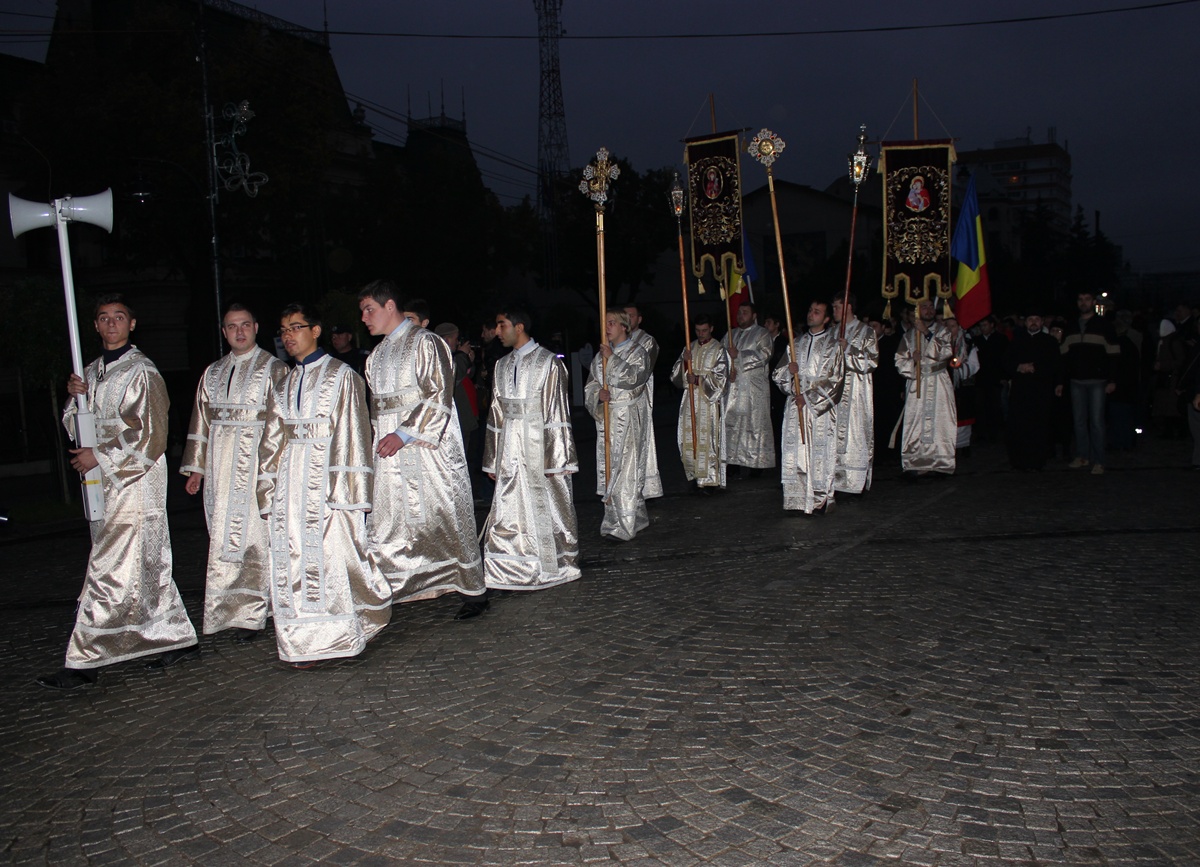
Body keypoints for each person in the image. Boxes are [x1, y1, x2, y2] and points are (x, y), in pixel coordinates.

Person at [38, 295, 198, 690]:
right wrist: (75, 399)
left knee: (108, 564)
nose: (111, 324)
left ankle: (85, 659)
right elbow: (76, 426)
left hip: (134, 480)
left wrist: (102, 457)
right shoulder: (89, 373)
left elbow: (151, 434)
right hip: (102, 482)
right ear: (95, 326)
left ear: (132, 324)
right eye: (104, 318)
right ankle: (174, 633)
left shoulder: (141, 372)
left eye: (119, 317)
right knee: (142, 563)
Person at [257, 304, 391, 667]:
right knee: (292, 557)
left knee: (331, 559)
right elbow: (272, 439)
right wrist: (267, 491)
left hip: (327, 483)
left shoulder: (341, 375)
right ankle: (299, 637)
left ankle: (334, 636)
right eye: (283, 329)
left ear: (315, 330)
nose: (288, 335)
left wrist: (351, 493)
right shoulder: (283, 382)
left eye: (296, 327)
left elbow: (353, 432)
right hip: (290, 481)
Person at [357, 282, 488, 618]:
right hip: (389, 452)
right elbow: (375, 409)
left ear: (389, 306)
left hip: (429, 450)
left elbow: (437, 393)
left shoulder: (427, 343)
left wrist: (403, 434)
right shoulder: (376, 355)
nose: (363, 318)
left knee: (444, 514)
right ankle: (395, 586)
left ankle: (472, 591)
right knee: (391, 520)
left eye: (368, 309)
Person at [180, 303, 287, 642]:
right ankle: (232, 609)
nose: (239, 331)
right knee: (223, 538)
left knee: (257, 539)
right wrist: (196, 468)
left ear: (256, 327)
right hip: (219, 471)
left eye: (245, 325)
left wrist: (274, 471)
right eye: (231, 326)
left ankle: (260, 611)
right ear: (223, 331)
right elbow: (201, 422)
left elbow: (280, 425)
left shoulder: (275, 369)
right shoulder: (212, 373)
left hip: (256, 467)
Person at [480, 306, 581, 589]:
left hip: (540, 445)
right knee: (511, 505)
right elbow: (496, 413)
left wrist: (556, 459)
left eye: (502, 325)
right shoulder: (501, 365)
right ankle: (513, 566)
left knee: (548, 503)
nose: (497, 332)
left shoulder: (549, 362)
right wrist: (492, 459)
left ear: (519, 326)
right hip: (510, 446)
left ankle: (555, 564)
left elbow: (557, 411)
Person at [585, 310, 652, 541]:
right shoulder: (599, 356)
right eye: (604, 323)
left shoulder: (637, 352)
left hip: (628, 417)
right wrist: (597, 395)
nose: (607, 327)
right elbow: (591, 384)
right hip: (608, 420)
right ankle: (628, 518)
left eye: (611, 323)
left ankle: (624, 526)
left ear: (624, 326)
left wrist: (612, 359)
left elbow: (636, 378)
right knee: (611, 469)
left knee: (627, 471)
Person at [773, 301, 845, 513]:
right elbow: (777, 375)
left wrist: (809, 396)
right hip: (796, 406)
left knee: (819, 452)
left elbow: (836, 380)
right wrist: (789, 370)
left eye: (817, 312)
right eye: (810, 310)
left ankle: (820, 499)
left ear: (826, 319)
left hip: (819, 409)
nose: (811, 314)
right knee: (796, 451)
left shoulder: (833, 347)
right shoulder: (795, 344)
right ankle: (796, 499)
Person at [1059, 291, 1119, 475]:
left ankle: (1099, 460)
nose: (1083, 302)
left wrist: (1113, 380)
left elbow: (1114, 355)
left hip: (1098, 381)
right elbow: (1063, 356)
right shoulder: (1071, 326)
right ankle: (1082, 455)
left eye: (1087, 299)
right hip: (1076, 380)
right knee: (1078, 421)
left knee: (1097, 422)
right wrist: (1062, 380)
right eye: (1080, 299)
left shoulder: (1104, 326)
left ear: (1093, 302)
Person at [895, 298, 957, 476]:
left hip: (939, 381)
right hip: (917, 382)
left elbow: (946, 352)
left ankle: (941, 462)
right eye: (925, 307)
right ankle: (916, 462)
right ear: (917, 311)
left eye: (931, 307)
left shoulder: (943, 332)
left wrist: (927, 334)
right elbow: (899, 361)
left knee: (940, 421)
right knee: (916, 422)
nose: (929, 310)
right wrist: (911, 361)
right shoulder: (908, 336)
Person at [670, 314, 730, 492]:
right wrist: (684, 362)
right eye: (697, 331)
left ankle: (710, 479)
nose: (701, 334)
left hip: (708, 402)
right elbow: (674, 376)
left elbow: (721, 378)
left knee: (708, 439)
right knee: (689, 438)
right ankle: (694, 475)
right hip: (690, 401)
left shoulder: (719, 349)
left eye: (704, 330)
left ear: (711, 328)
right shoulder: (689, 348)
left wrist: (698, 379)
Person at [722, 301, 776, 477]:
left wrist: (741, 355)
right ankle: (732, 463)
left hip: (754, 389)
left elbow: (765, 354)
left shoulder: (762, 334)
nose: (740, 316)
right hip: (734, 388)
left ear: (753, 316)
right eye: (739, 313)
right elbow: (720, 356)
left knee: (754, 424)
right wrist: (726, 370)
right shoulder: (731, 334)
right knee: (732, 424)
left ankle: (755, 464)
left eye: (744, 312)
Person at [831, 294, 878, 495]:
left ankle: (855, 480)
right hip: (833, 392)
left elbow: (872, 361)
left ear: (848, 307)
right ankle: (833, 479)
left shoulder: (866, 332)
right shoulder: (831, 332)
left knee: (855, 433)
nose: (834, 311)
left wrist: (848, 349)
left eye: (837, 307)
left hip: (856, 392)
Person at [1003, 311, 1061, 471]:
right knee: (1020, 424)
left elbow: (1055, 364)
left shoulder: (1050, 342)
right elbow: (1007, 362)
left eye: (1037, 319)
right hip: (1021, 390)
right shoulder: (1017, 340)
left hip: (1041, 389)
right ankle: (1019, 459)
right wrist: (1019, 367)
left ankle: (1038, 459)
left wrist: (1037, 368)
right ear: (1025, 322)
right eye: (1030, 319)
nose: (1033, 322)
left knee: (1040, 425)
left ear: (1042, 322)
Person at [623, 303, 663, 501]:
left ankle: (644, 486)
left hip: (639, 397)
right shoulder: (616, 340)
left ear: (639, 319)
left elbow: (643, 371)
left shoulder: (648, 342)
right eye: (625, 316)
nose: (628, 319)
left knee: (641, 438)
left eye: (631, 315)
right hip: (619, 402)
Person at [432, 322, 480, 457]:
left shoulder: (454, 356)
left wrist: (469, 360)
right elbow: (453, 377)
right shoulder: (439, 356)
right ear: (447, 339)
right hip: (455, 419)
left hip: (464, 415)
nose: (458, 343)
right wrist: (462, 356)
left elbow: (466, 376)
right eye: (456, 339)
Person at [944, 312, 981, 455]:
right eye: (947, 326)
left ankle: (963, 445)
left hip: (963, 386)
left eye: (953, 326)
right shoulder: (940, 344)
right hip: (945, 384)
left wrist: (960, 367)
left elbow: (974, 365)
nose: (949, 329)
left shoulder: (968, 343)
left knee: (963, 414)